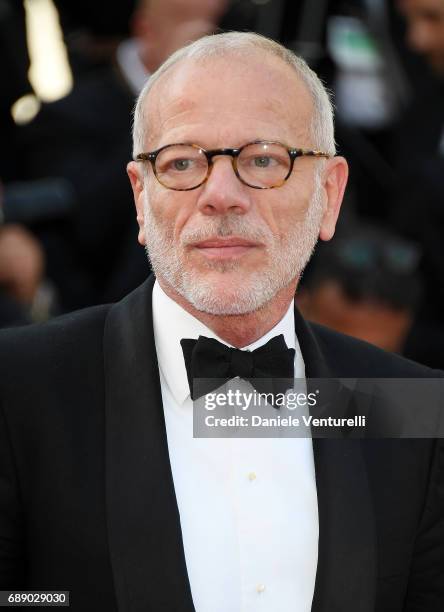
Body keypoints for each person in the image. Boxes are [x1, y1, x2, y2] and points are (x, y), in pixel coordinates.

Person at [0, 32, 443, 612]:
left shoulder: (405, 408)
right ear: (140, 197)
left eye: (263, 160)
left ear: (330, 195)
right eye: (182, 162)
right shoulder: (18, 388)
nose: (221, 194)